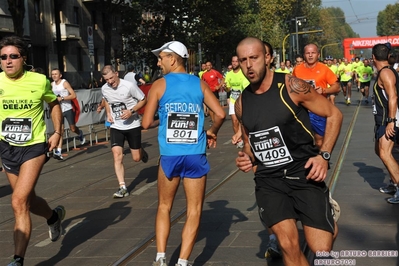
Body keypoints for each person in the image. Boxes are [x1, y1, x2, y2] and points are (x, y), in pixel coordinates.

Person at [234, 37, 342, 266]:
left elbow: (334, 115)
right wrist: (247, 156)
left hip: (304, 173)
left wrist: (323, 156)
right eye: (243, 60)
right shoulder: (242, 102)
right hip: (269, 180)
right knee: (288, 245)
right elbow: (248, 142)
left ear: (268, 58)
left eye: (254, 58)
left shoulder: (293, 86)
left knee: (321, 251)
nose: (248, 65)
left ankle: (326, 213)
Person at [142, 41, 225, 266]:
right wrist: (212, 132)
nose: (158, 63)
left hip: (170, 155)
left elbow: (147, 122)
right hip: (195, 154)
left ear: (173, 59)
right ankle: (183, 262)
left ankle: (160, 257)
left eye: (161, 58)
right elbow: (219, 114)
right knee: (194, 209)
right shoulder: (199, 84)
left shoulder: (159, 85)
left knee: (164, 206)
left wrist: (166, 115)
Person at [0, 35, 65, 266]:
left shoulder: (39, 81)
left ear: (23, 59)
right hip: (7, 147)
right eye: (3, 57)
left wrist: (57, 132)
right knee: (28, 199)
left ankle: (17, 260)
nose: (8, 61)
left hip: (34, 147)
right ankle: (53, 216)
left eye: (13, 56)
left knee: (18, 201)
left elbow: (54, 104)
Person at [101, 65, 148, 198]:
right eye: (106, 80)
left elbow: (143, 99)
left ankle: (140, 150)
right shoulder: (105, 89)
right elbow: (107, 101)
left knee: (136, 158)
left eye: (111, 78)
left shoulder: (129, 86)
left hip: (132, 124)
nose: (110, 82)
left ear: (116, 73)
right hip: (116, 125)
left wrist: (131, 111)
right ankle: (122, 187)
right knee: (117, 154)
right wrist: (108, 114)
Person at [292, 44, 340, 148]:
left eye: (313, 53)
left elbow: (336, 87)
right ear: (304, 55)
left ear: (318, 55)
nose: (310, 55)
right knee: (302, 141)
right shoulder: (297, 69)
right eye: (307, 53)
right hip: (301, 110)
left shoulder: (324, 69)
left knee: (319, 142)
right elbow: (291, 86)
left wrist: (324, 90)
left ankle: (321, 160)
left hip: (318, 110)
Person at [371, 43, 399, 204]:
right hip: (382, 118)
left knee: (385, 153)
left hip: (388, 119)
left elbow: (393, 97)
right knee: (380, 151)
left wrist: (391, 121)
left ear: (373, 57)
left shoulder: (386, 73)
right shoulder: (385, 72)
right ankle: (394, 182)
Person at [51, 68, 86, 160]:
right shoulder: (52, 85)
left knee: (72, 128)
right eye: (52, 74)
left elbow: (73, 95)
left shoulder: (64, 83)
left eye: (56, 74)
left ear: (60, 75)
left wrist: (62, 98)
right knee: (60, 130)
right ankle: (58, 151)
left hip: (68, 109)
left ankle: (80, 133)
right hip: (58, 110)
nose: (54, 76)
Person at [225, 55, 250, 149]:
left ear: (239, 62)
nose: (234, 63)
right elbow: (228, 89)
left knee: (242, 121)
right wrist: (225, 87)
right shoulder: (229, 74)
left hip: (243, 100)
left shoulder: (243, 73)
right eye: (233, 61)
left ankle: (245, 137)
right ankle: (239, 139)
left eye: (236, 61)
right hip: (233, 100)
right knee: (234, 121)